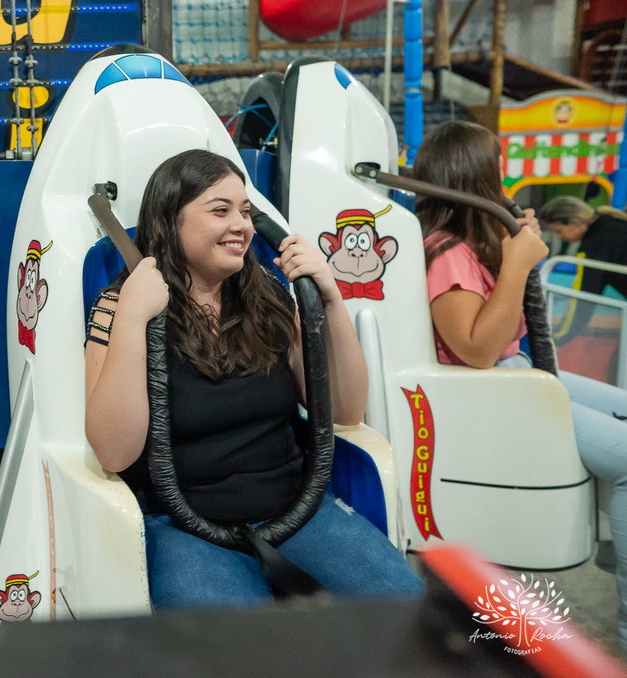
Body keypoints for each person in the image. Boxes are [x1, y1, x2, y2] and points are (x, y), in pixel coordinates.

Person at [84, 149, 421, 608]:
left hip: (298, 513)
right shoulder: (120, 306)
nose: (241, 225)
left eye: (244, 211)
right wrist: (130, 320)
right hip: (186, 528)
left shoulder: (268, 294)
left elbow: (344, 410)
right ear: (169, 221)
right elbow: (114, 452)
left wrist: (330, 301)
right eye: (220, 210)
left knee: (410, 613)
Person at [413, 120, 627, 651]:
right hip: (493, 387)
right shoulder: (444, 251)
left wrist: (511, 243)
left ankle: (615, 545)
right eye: (497, 165)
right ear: (477, 174)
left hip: (515, 374)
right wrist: (516, 265)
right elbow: (478, 349)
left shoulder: (468, 238)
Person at [537, 195, 627, 342]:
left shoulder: (595, 244)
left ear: (573, 222)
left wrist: (559, 337)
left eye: (559, 231)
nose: (560, 238)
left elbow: (584, 297)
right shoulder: (613, 222)